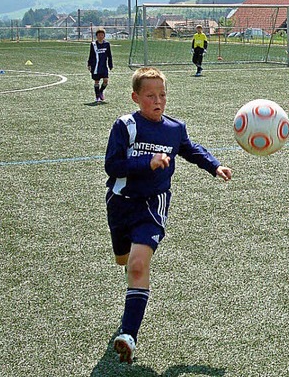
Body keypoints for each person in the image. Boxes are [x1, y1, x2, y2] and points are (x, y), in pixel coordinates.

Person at [105, 67, 232, 364]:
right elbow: (113, 166)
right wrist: (146, 162)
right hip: (120, 203)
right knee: (125, 261)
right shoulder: (125, 126)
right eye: (150, 96)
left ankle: (129, 335)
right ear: (136, 97)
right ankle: (134, 282)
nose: (158, 101)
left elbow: (190, 149)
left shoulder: (174, 128)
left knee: (137, 265)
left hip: (153, 204)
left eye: (162, 95)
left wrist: (214, 166)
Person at [87, 28, 113, 102]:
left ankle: (101, 91)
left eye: (102, 35)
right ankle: (97, 96)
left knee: (105, 81)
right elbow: (91, 55)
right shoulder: (93, 44)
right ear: (96, 36)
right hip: (95, 66)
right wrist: (89, 64)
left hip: (103, 66)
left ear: (104, 36)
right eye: (99, 35)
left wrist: (110, 64)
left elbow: (109, 55)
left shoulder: (107, 44)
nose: (100, 36)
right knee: (97, 81)